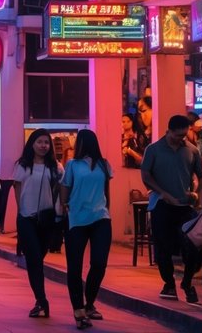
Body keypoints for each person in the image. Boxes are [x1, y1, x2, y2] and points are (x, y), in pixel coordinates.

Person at [140, 114, 202, 305]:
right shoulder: (153, 150)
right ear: (168, 131)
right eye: (177, 135)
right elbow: (145, 175)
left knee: (192, 245)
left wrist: (198, 195)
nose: (180, 139)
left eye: (183, 135)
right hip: (162, 205)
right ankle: (169, 283)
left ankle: (187, 283)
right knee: (162, 247)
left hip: (185, 206)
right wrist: (161, 192)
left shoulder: (192, 150)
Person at [60, 129, 113, 329]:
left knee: (99, 263)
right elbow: (65, 186)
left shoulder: (104, 164)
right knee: (74, 266)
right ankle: (78, 309)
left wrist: (108, 211)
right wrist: (64, 206)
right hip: (76, 218)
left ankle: (89, 302)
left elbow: (107, 190)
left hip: (100, 217)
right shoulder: (72, 165)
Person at [13, 128, 62, 318]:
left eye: (46, 142)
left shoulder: (55, 167)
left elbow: (60, 189)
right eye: (40, 142)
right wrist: (21, 212)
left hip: (47, 218)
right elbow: (17, 189)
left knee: (38, 259)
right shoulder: (23, 165)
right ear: (32, 144)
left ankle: (39, 301)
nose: (43, 145)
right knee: (33, 258)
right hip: (27, 218)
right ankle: (42, 300)